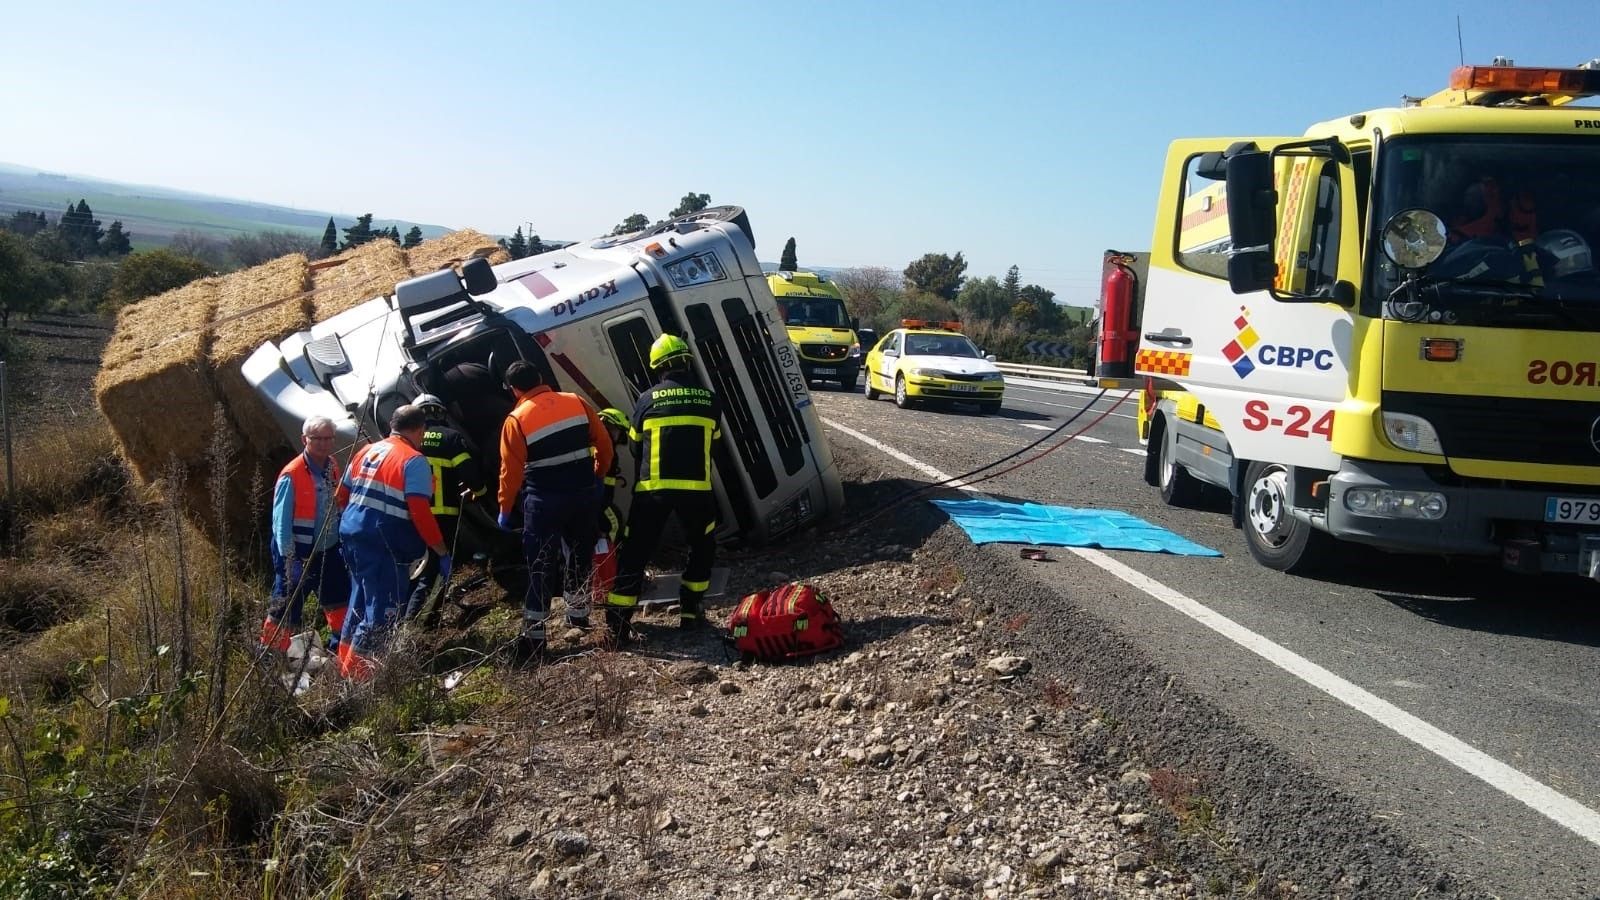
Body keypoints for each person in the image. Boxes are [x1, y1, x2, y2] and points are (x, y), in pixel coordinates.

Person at [604, 333, 724, 642]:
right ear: (686, 362)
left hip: (652, 491)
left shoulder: (646, 399)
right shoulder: (709, 400)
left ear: (657, 368)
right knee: (702, 546)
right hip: (696, 490)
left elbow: (633, 447)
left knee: (635, 552)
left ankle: (618, 624)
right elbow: (715, 442)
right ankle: (689, 611)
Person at [497, 360, 612, 659]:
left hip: (544, 501)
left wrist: (504, 509)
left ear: (514, 389)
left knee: (541, 565)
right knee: (580, 552)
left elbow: (510, 473)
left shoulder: (516, 419)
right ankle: (578, 616)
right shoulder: (576, 402)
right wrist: (598, 477)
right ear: (540, 378)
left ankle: (535, 640)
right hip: (583, 495)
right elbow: (604, 444)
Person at [337, 405, 451, 681]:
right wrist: (440, 550)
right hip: (383, 544)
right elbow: (419, 511)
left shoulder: (367, 450)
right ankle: (360, 682)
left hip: (353, 535)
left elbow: (341, 494)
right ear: (419, 429)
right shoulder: (413, 461)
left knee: (359, 603)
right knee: (381, 614)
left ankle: (343, 669)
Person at [261, 415, 351, 655]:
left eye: (328, 438)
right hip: (296, 553)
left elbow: (335, 502)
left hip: (328, 549)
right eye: (317, 439)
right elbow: (281, 525)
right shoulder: (292, 474)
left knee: (339, 601)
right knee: (286, 607)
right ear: (305, 440)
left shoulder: (331, 464)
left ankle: (339, 652)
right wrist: (291, 560)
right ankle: (271, 658)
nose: (323, 443)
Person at [402, 393, 487, 627]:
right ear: (441, 413)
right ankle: (418, 623)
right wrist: (480, 493)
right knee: (436, 571)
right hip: (443, 517)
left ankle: (407, 616)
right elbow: (469, 473)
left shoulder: (407, 442)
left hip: (410, 518)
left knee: (415, 568)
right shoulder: (450, 438)